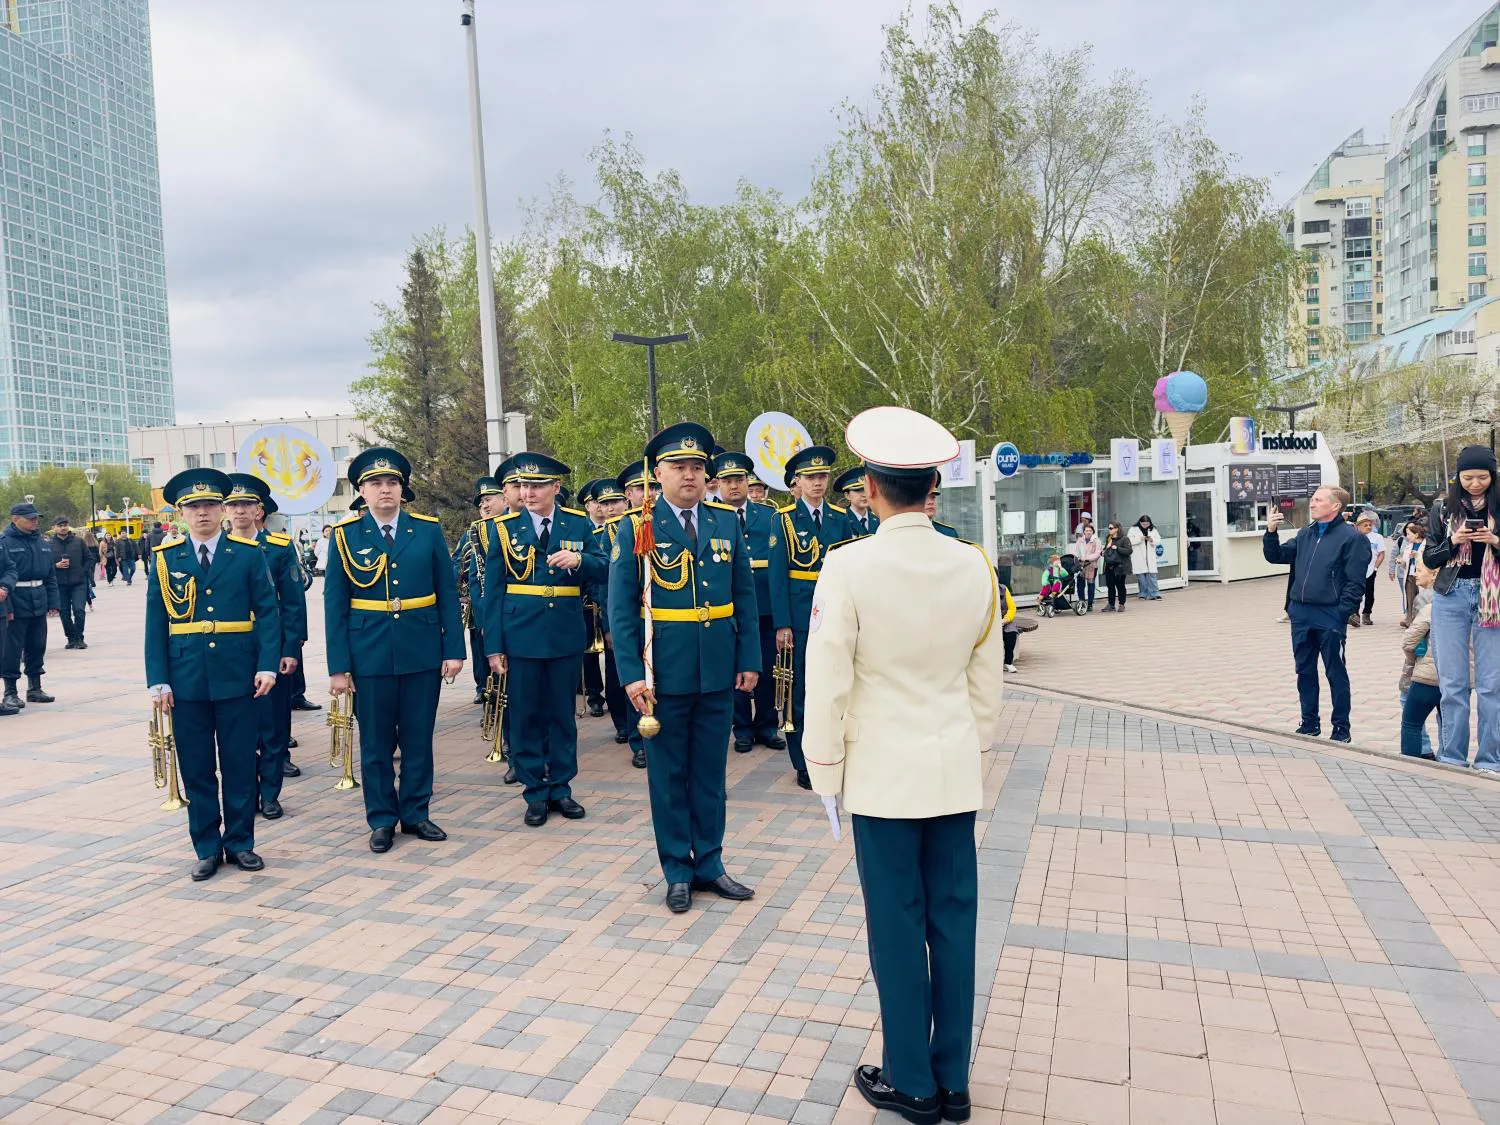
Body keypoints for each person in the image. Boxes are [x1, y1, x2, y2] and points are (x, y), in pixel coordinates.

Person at [804, 406, 1005, 1125]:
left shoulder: (848, 564)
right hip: (951, 771)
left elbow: (827, 678)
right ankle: (953, 1080)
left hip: (883, 779)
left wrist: (824, 772)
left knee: (896, 924)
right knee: (954, 922)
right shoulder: (973, 562)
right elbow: (988, 673)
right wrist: (972, 743)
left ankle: (911, 1081)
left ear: (872, 490)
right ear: (930, 490)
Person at [609, 422, 761, 914]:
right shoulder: (638, 525)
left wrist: (749, 659)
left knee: (710, 775)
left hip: (718, 670)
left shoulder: (725, 522)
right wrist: (632, 673)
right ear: (659, 473)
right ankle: (676, 867)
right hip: (663, 674)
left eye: (697, 468)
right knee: (669, 776)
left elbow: (744, 595)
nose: (690, 476)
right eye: (679, 468)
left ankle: (711, 863)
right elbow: (622, 608)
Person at [324, 447, 465, 852]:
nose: (384, 490)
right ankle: (382, 818)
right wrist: (339, 666)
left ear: (403, 490)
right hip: (368, 653)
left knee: (419, 737)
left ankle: (416, 813)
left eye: (392, 483)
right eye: (375, 483)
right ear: (362, 493)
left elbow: (447, 594)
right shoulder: (346, 536)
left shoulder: (427, 531)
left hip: (421, 649)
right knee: (376, 742)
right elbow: (336, 604)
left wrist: (452, 649)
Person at [145, 470, 281, 881]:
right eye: (193, 507)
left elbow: (269, 612)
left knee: (240, 761)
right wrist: (158, 680)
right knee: (197, 766)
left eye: (208, 505)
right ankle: (206, 846)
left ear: (222, 510)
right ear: (181, 513)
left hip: (239, 675)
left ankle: (240, 842)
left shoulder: (246, 554)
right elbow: (155, 624)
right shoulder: (167, 559)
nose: (201, 512)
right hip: (186, 679)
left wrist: (267, 664)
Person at [481, 453, 606, 827]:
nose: (528, 492)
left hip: (564, 633)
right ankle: (535, 792)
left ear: (555, 488)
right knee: (526, 716)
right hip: (520, 634)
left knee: (562, 716)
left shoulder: (578, 524)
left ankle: (562, 788)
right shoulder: (503, 529)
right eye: (523, 486)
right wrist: (494, 646)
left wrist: (580, 561)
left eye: (537, 486)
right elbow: (494, 592)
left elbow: (605, 566)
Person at [768, 444, 857, 788]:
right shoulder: (784, 519)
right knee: (801, 691)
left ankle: (835, 753)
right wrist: (782, 624)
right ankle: (804, 762)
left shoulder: (840, 517)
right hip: (802, 619)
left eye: (822, 476)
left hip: (835, 614)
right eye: (811, 477)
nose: (818, 483)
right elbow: (777, 576)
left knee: (837, 686)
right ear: (798, 482)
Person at [223, 474, 307, 820]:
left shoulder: (279, 546)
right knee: (239, 726)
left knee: (273, 724)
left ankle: (270, 792)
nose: (239, 510)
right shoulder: (218, 547)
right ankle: (245, 792)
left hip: (271, 646)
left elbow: (292, 603)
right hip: (231, 649)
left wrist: (291, 648)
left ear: (260, 510)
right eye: (233, 504)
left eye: (246, 504)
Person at [1264, 485, 1367, 742]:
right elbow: (1276, 556)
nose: (1312, 503)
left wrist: (1342, 613)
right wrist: (1271, 532)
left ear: (1335, 506)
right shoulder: (1305, 534)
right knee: (1305, 671)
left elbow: (1356, 583)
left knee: (1335, 673)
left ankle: (1341, 729)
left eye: (1318, 500)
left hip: (1330, 616)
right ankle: (1309, 723)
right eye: (1312, 499)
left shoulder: (1352, 538)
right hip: (1301, 614)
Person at [1422, 445, 1500, 768]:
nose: (1476, 484)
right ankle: (1451, 757)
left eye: (1483, 477)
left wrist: (1495, 542)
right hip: (1450, 596)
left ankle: (1489, 760)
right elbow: (1429, 558)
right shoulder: (1443, 509)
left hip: (1491, 598)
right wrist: (1453, 541)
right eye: (1468, 477)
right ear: (1458, 477)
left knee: (1491, 685)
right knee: (1452, 683)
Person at [717, 451, 786, 754]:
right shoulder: (710, 516)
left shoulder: (769, 516)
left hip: (766, 606)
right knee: (736, 670)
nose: (734, 486)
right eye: (728, 480)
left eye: (739, 480)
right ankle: (742, 728)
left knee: (768, 668)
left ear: (748, 482)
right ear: (718, 484)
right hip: (728, 608)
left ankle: (767, 725)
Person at [586, 478, 634, 751]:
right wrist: (606, 623)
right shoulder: (606, 535)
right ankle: (623, 724)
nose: (611, 508)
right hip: (616, 615)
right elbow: (604, 584)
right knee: (617, 673)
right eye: (605, 504)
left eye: (615, 502)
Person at [1, 503, 59, 711]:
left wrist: (54, 602)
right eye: (30, 518)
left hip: (39, 598)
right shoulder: (5, 542)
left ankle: (34, 687)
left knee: (37, 644)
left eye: (36, 518)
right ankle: (10, 692)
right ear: (15, 519)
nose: (35, 521)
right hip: (15, 600)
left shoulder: (42, 542)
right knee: (12, 648)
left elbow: (50, 575)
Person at [455, 477, 505, 705]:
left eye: (488, 500)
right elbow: (460, 564)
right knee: (481, 650)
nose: (484, 506)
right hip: (480, 605)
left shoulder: (511, 525)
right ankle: (483, 687)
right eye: (480, 502)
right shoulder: (471, 533)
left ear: (503, 499)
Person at [1399, 559, 1439, 760]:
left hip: (1427, 669)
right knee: (1448, 719)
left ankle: (1417, 758)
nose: (1415, 574)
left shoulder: (1426, 600)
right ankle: (1450, 759)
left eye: (1420, 570)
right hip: (1459, 673)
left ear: (1435, 574)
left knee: (1411, 720)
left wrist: (1412, 659)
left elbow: (1410, 641)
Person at [49, 517, 91, 649]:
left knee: (79, 610)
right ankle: (71, 638)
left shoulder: (78, 542)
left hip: (78, 582)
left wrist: (82, 571)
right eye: (60, 525)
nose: (63, 527)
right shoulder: (49, 545)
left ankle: (79, 638)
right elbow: (45, 565)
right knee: (64, 613)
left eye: (65, 525)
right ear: (54, 527)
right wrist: (56, 565)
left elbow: (90, 558)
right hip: (60, 584)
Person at [1350, 509, 1385, 627]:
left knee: (1369, 593)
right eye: (1365, 525)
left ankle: (1367, 613)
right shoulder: (1353, 537)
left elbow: (1381, 554)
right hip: (1356, 570)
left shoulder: (1377, 537)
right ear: (1358, 526)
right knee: (1355, 593)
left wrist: (1375, 568)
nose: (1369, 527)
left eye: (1370, 525)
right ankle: (1355, 614)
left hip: (1370, 570)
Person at [836, 466, 880, 538]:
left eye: (866, 489)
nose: (864, 495)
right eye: (858, 491)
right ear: (847, 496)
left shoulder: (878, 519)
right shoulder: (841, 520)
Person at [1396, 521, 1426, 627]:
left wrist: (1417, 555)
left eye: (1409, 534)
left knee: (1422, 599)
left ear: (1416, 534)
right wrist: (1400, 562)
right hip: (1410, 575)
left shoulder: (1426, 545)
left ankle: (1421, 621)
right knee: (1410, 599)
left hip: (1422, 576)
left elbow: (1428, 561)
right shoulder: (1409, 546)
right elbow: (1405, 564)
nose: (1407, 536)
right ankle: (1409, 620)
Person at [1100, 521, 1132, 612]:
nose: (1109, 530)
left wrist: (1117, 548)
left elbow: (1129, 551)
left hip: (1119, 566)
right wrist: (1103, 551)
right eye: (1109, 528)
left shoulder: (1124, 539)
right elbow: (1106, 550)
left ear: (1117, 529)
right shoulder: (1108, 538)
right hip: (1109, 565)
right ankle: (1111, 604)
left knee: (1120, 586)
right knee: (1110, 586)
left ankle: (1122, 604)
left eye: (1111, 528)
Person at [1128, 515, 1162, 600]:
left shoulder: (1153, 529)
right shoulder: (1133, 529)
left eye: (1147, 524)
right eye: (1143, 524)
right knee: (1141, 577)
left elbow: (1159, 540)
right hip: (1139, 556)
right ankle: (1143, 593)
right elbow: (1129, 540)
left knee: (1152, 575)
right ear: (1140, 522)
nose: (1145, 525)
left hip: (1149, 556)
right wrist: (1140, 539)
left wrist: (1152, 540)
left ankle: (1154, 593)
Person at [1072, 521, 1101, 612]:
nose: (1088, 532)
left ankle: (1090, 604)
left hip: (1091, 565)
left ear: (1093, 532)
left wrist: (1087, 558)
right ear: (1084, 531)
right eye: (1086, 530)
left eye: (1090, 530)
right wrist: (1079, 559)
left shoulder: (1096, 541)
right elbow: (1076, 551)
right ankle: (1082, 602)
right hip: (1081, 565)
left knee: (1090, 584)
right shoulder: (1080, 540)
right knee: (1080, 585)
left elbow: (1097, 553)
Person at [998, 579, 1020, 672]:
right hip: (988, 622)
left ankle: (1008, 662)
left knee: (1011, 634)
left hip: (1005, 620)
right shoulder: (982, 590)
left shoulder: (1003, 589)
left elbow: (1012, 608)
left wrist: (1005, 620)